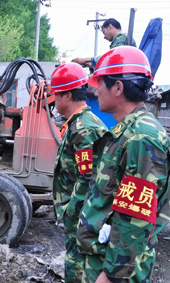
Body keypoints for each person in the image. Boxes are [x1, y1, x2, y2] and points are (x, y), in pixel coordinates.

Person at [77, 46, 170, 283]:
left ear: (118, 87)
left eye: (100, 83)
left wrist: (111, 276)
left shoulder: (142, 137)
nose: (95, 90)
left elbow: (135, 217)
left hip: (117, 271)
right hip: (104, 259)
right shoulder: (127, 131)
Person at [50, 63, 107, 283]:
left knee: (82, 267)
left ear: (66, 96)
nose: (54, 100)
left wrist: (70, 211)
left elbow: (89, 177)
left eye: (56, 94)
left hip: (83, 218)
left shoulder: (84, 128)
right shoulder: (77, 124)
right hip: (78, 215)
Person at [72, 18, 136, 69]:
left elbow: (112, 57)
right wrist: (89, 64)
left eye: (104, 32)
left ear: (110, 27)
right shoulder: (120, 39)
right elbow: (110, 61)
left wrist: (86, 59)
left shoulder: (122, 37)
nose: (104, 37)